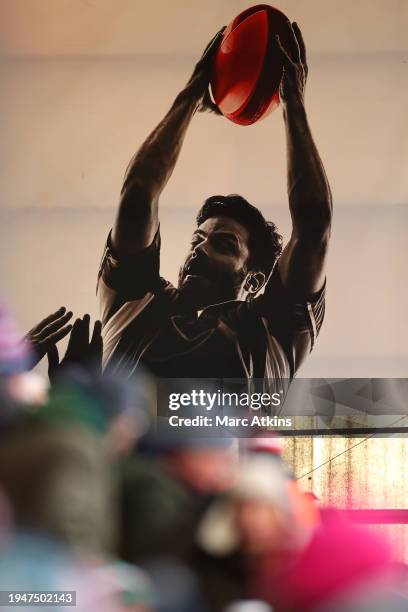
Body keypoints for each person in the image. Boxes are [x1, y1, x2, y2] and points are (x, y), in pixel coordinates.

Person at [97, 22, 332, 390]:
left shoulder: (271, 332)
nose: (199, 249)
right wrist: (190, 95)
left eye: (222, 244)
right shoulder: (137, 307)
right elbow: (138, 195)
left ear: (254, 280)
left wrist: (293, 105)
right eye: (196, 241)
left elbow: (314, 226)